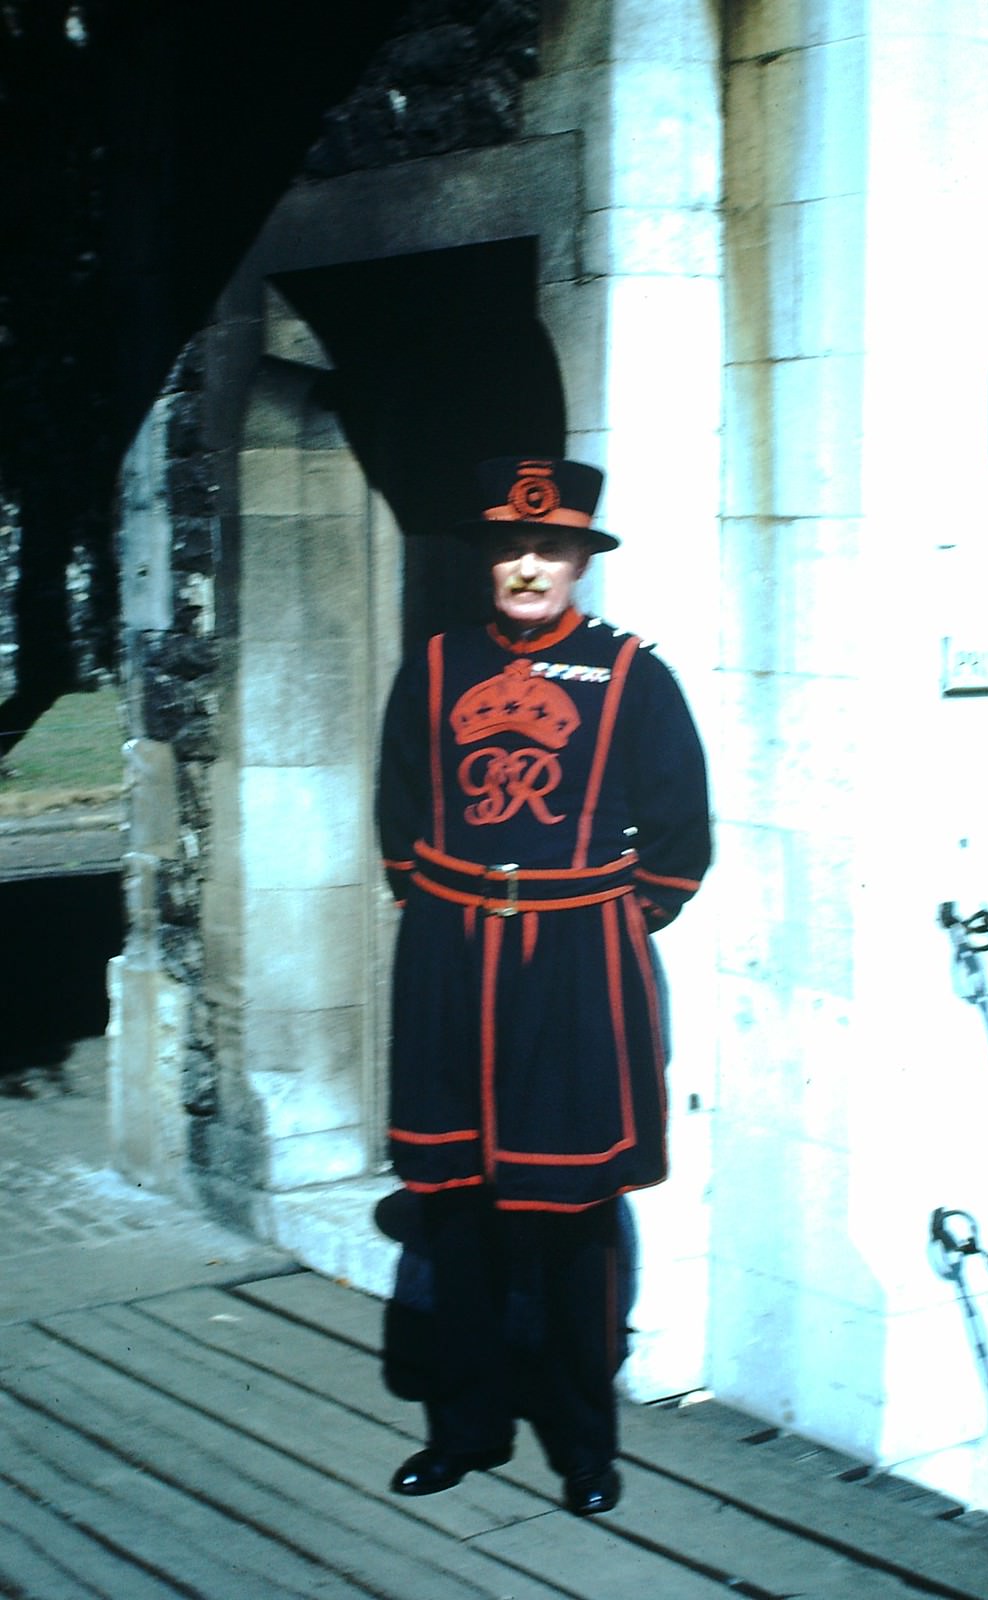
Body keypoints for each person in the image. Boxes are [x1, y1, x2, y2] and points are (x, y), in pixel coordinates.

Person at [376, 455, 712, 1516]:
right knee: (456, 1206)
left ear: (579, 560)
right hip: (449, 954)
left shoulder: (628, 675)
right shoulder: (435, 667)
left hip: (576, 959)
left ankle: (583, 1445)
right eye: (512, 547)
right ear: (489, 556)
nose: (529, 564)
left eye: (551, 547)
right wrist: (437, 911)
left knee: (571, 1213)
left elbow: (677, 837)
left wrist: (605, 922)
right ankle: (464, 1429)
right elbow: (397, 807)